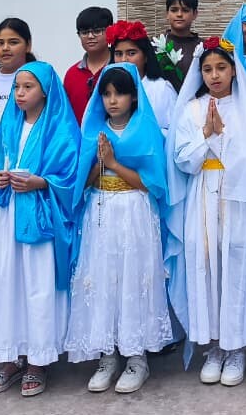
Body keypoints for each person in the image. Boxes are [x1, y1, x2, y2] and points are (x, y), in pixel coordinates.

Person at [164, 37, 246, 386]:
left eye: (221, 68)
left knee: (235, 264)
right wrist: (206, 133)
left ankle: (236, 349)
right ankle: (213, 345)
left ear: (233, 70)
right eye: (207, 69)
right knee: (203, 263)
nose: (214, 75)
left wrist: (223, 138)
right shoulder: (190, 110)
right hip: (201, 192)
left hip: (237, 195)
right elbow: (183, 160)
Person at [0, 61, 80, 397]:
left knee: (37, 285)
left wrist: (40, 182)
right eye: (17, 87)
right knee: (8, 283)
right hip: (9, 218)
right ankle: (9, 356)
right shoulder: (9, 124)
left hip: (41, 220)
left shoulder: (62, 128)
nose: (19, 94)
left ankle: (37, 360)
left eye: (27, 87)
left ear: (46, 90)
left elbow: (71, 177)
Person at [66, 64, 172, 394]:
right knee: (102, 277)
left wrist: (113, 163)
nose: (113, 100)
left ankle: (136, 357)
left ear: (134, 96)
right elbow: (80, 182)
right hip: (100, 211)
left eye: (120, 93)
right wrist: (97, 164)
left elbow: (151, 185)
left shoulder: (148, 131)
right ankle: (107, 355)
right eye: (107, 93)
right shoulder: (92, 131)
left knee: (133, 277)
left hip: (135, 211)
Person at [107, 20, 180, 134]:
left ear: (146, 56)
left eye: (131, 53)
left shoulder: (161, 88)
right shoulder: (108, 89)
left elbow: (175, 131)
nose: (124, 60)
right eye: (118, 54)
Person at [63, 7, 114, 121]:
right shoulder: (72, 74)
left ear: (110, 31)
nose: (90, 36)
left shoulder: (119, 66)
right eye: (85, 32)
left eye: (97, 31)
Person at [162, 0, 203, 79]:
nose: (179, 14)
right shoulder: (155, 45)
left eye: (185, 10)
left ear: (195, 14)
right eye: (174, 10)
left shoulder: (203, 47)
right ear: (167, 14)